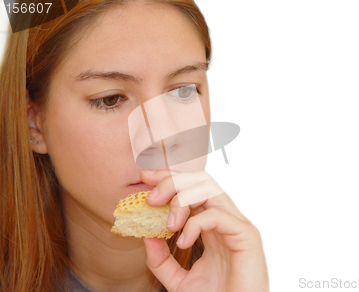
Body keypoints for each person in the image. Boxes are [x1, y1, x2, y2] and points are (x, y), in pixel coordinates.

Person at [0, 0, 269, 291]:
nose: (162, 136)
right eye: (110, 99)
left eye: (182, 91)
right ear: (34, 122)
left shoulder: (235, 274)